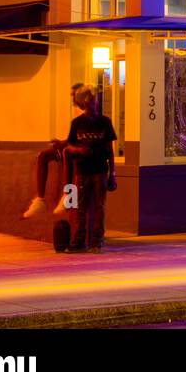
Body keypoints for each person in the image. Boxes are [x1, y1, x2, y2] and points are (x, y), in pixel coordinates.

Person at [64, 86, 118, 253]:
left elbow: (110, 150)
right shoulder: (77, 123)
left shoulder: (105, 122)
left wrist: (112, 174)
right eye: (88, 102)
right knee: (81, 206)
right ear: (82, 104)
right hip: (82, 170)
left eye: (94, 101)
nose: (93, 105)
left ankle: (97, 241)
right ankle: (79, 240)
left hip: (100, 170)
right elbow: (69, 146)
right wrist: (79, 150)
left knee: (99, 206)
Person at [22, 83, 87, 219]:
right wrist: (62, 142)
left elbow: (83, 137)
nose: (72, 99)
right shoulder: (77, 112)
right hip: (74, 143)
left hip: (86, 149)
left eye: (74, 96)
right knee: (43, 156)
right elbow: (74, 136)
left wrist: (65, 143)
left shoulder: (89, 113)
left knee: (67, 153)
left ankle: (68, 195)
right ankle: (40, 200)